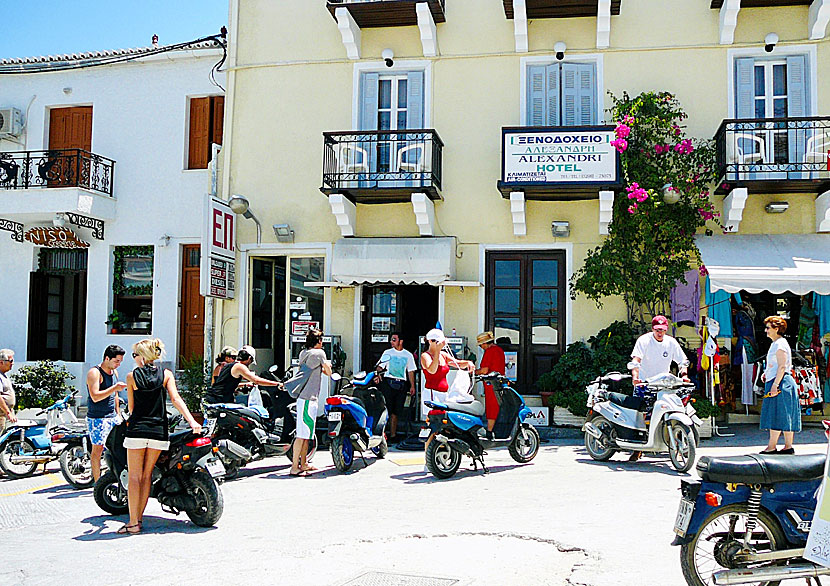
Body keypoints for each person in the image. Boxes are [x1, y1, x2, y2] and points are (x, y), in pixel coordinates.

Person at [119, 338, 202, 535]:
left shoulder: (132, 377)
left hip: (138, 429)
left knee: (134, 476)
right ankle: (139, 518)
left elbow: (131, 408)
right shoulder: (166, 374)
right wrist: (192, 421)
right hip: (158, 431)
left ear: (142, 356)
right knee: (147, 476)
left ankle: (133, 522)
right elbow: (175, 398)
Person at [628, 315, 690, 461]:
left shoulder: (671, 342)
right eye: (657, 330)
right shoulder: (644, 341)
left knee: (674, 409)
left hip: (664, 384)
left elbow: (682, 361)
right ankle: (637, 449)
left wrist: (684, 375)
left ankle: (678, 443)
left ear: (666, 329)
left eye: (662, 330)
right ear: (652, 329)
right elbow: (636, 360)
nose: (660, 333)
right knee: (640, 415)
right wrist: (635, 377)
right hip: (645, 383)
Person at [420, 329, 475, 469]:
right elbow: (431, 370)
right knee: (433, 427)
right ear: (432, 342)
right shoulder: (425, 356)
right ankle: (428, 459)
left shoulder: (444, 355)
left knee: (445, 426)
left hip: (444, 394)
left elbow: (456, 363)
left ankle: (444, 454)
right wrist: (437, 352)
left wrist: (467, 363)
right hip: (432, 393)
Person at [290, 329, 331, 476]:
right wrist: (326, 364)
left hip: (303, 398)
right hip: (309, 399)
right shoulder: (319, 354)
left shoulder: (304, 353)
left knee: (307, 434)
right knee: (302, 435)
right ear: (319, 341)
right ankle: (295, 466)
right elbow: (329, 372)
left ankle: (304, 463)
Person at [86, 345, 127, 482]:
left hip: (112, 416)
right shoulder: (95, 373)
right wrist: (114, 387)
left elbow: (115, 395)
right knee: (97, 451)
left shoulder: (113, 373)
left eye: (120, 362)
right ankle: (97, 482)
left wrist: (118, 413)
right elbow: (95, 396)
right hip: (98, 418)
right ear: (107, 358)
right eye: (116, 361)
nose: (118, 364)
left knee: (118, 448)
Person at [760, 316, 800, 454]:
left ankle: (772, 446)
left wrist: (775, 384)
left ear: (776, 329)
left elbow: (782, 366)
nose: (766, 331)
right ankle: (788, 446)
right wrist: (767, 373)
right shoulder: (778, 343)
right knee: (785, 414)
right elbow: (778, 365)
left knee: (775, 413)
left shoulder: (779, 344)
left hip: (781, 383)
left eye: (768, 328)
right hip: (781, 381)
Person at [204, 345, 280, 405]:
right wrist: (277, 384)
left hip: (214, 398)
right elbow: (256, 380)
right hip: (221, 400)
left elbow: (226, 384)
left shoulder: (229, 365)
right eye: (251, 361)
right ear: (249, 358)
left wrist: (245, 385)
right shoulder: (240, 367)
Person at [378, 332, 417, 444]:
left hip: (401, 384)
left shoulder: (408, 355)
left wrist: (412, 386)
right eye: (391, 339)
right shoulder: (387, 353)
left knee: (396, 411)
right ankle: (383, 434)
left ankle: (393, 435)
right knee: (387, 410)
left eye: (394, 339)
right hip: (388, 382)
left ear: (401, 341)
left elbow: (411, 371)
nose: (392, 342)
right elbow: (381, 366)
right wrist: (377, 374)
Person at [475, 331, 506, 437]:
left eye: (481, 344)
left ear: (485, 343)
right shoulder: (499, 350)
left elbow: (484, 370)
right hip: (499, 382)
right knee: (497, 406)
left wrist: (473, 371)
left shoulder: (489, 351)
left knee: (491, 407)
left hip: (491, 383)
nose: (481, 347)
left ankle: (489, 431)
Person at [0, 349, 18, 433]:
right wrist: (8, 413)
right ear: (1, 362)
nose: (12, 363)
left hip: (5, 415)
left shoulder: (3, 376)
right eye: (10, 361)